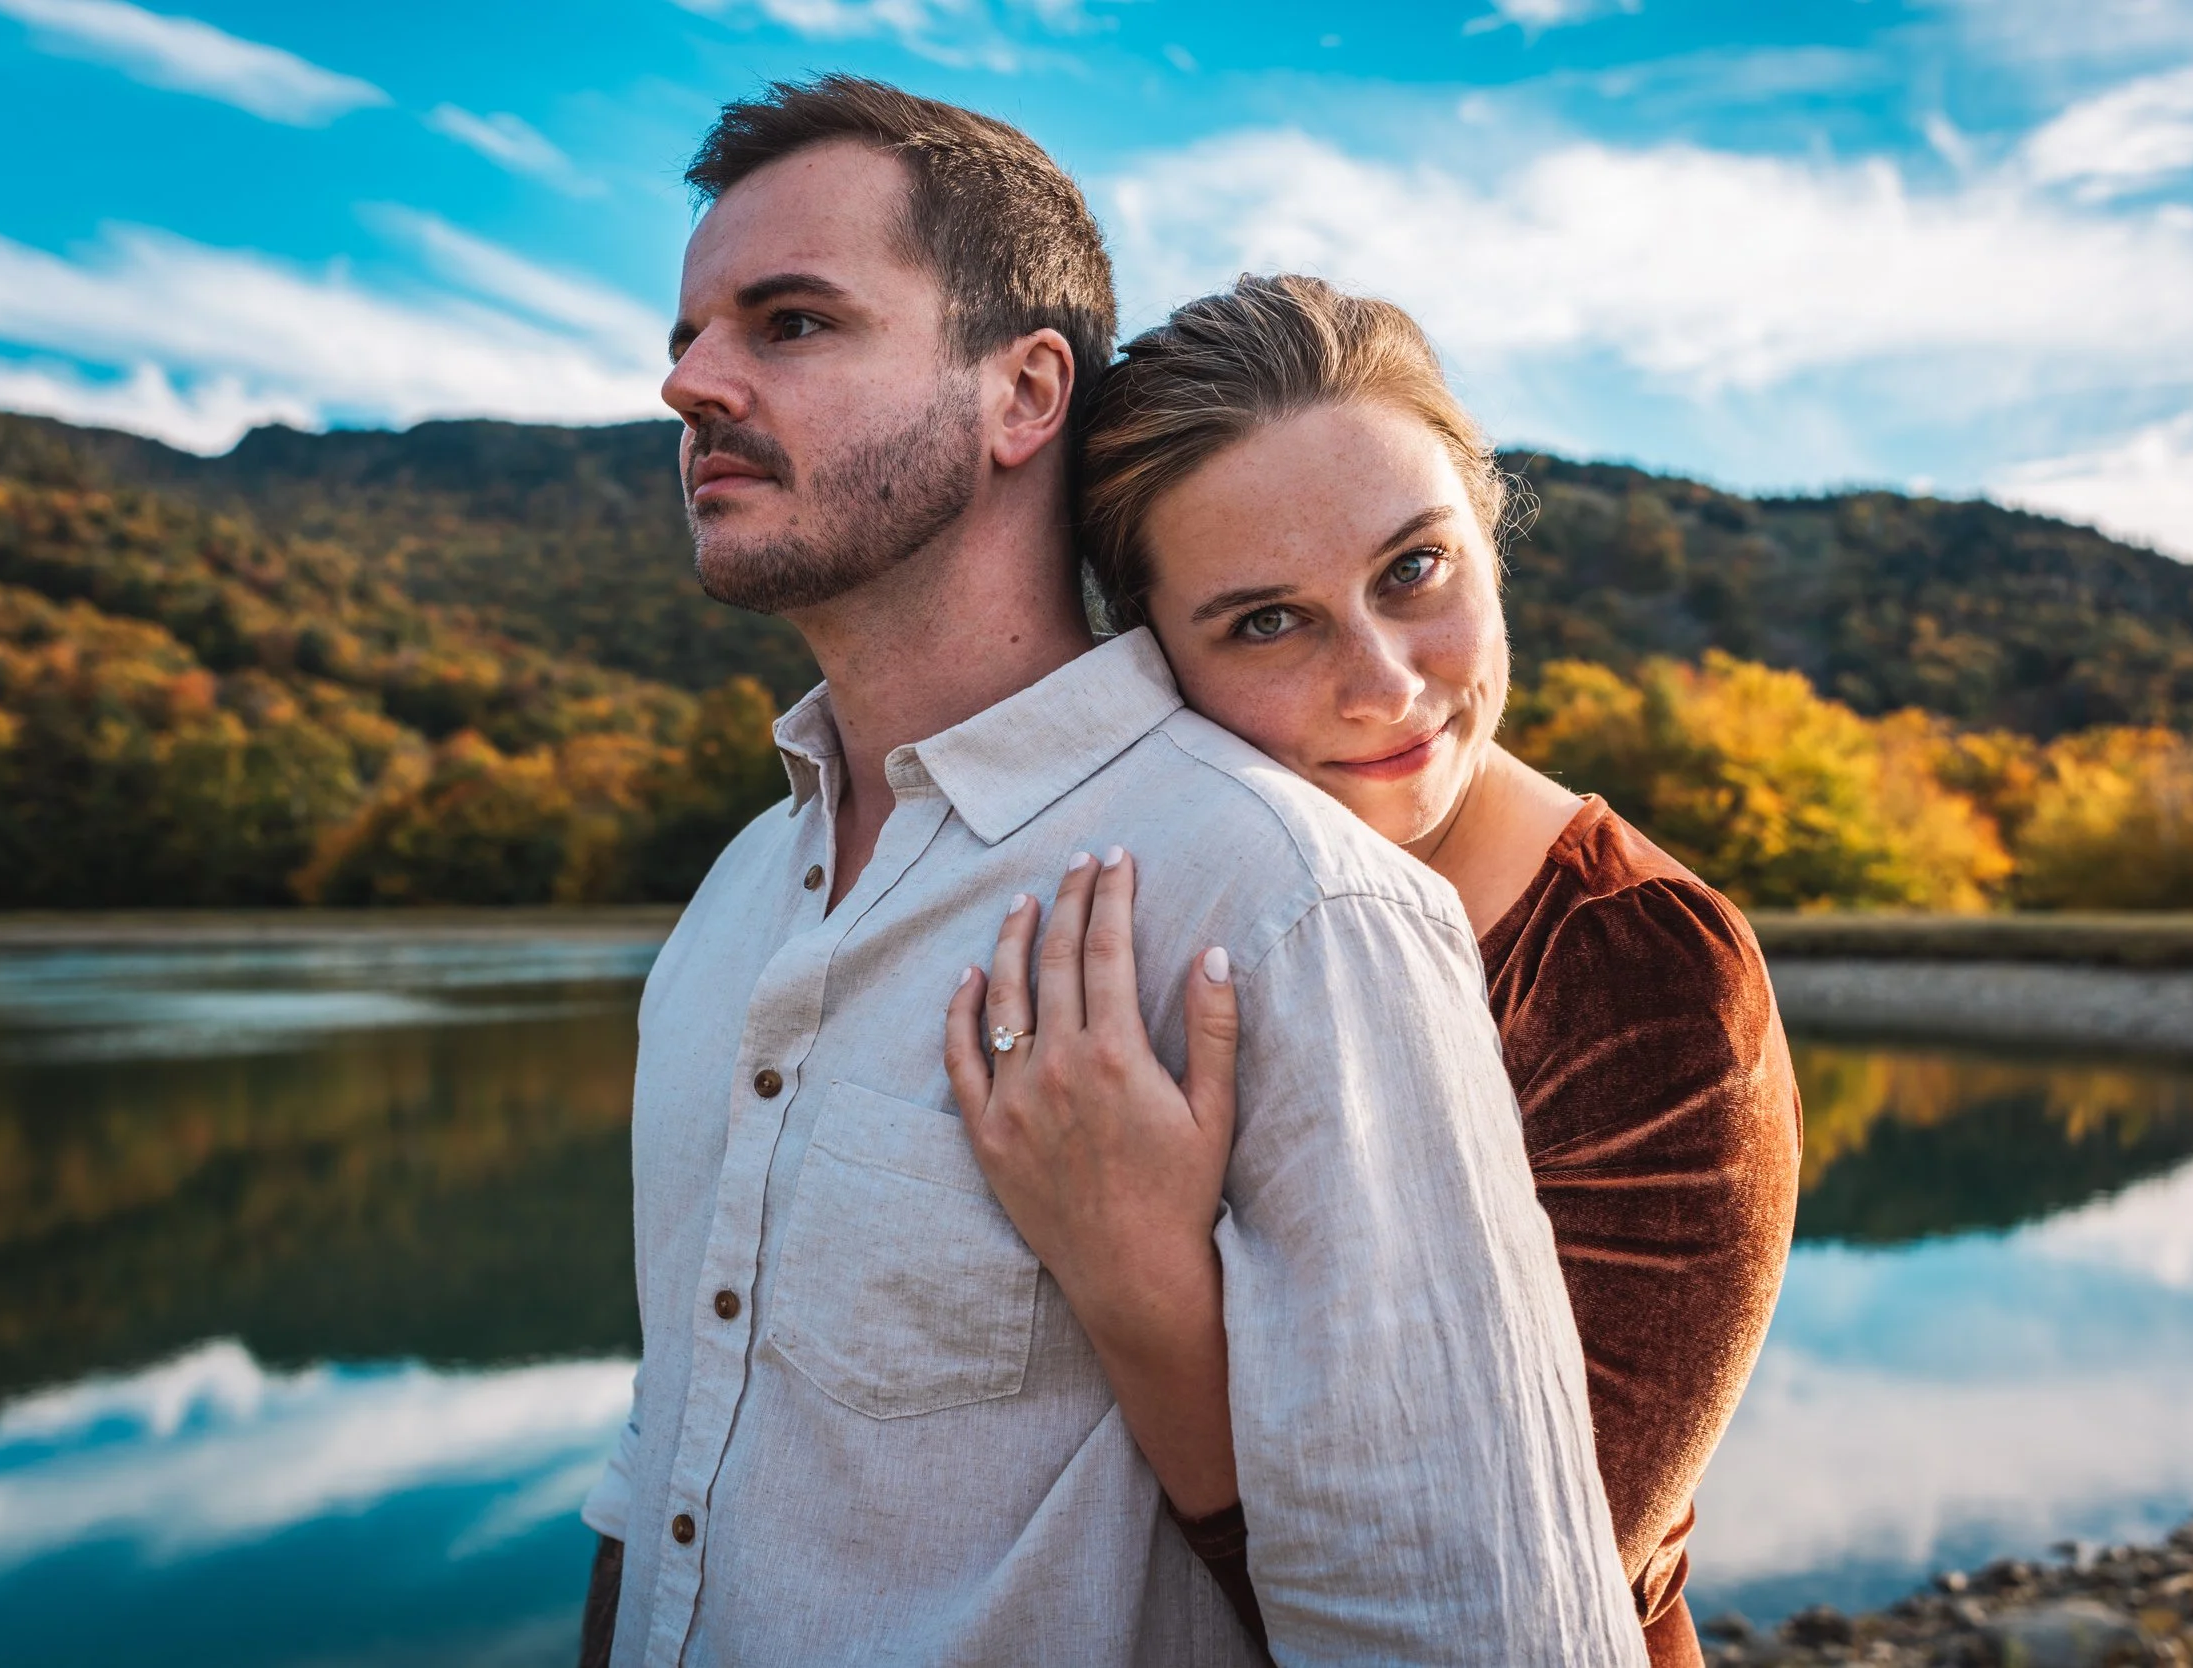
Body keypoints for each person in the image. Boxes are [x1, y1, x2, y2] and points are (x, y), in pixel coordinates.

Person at [576, 78, 1647, 1667]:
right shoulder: (739, 895)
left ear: (1022, 394)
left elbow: (1470, 1623)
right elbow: (671, 1468)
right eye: (688, 336)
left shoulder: (1287, 907)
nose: (690, 384)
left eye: (789, 323)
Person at [945, 276, 1804, 1666]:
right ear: (1149, 656)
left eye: (1416, 571)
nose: (1389, 686)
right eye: (1267, 622)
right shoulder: (1148, 893)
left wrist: (1141, 1286)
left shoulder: (1640, 977)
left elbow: (1499, 1595)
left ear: (1487, 537)